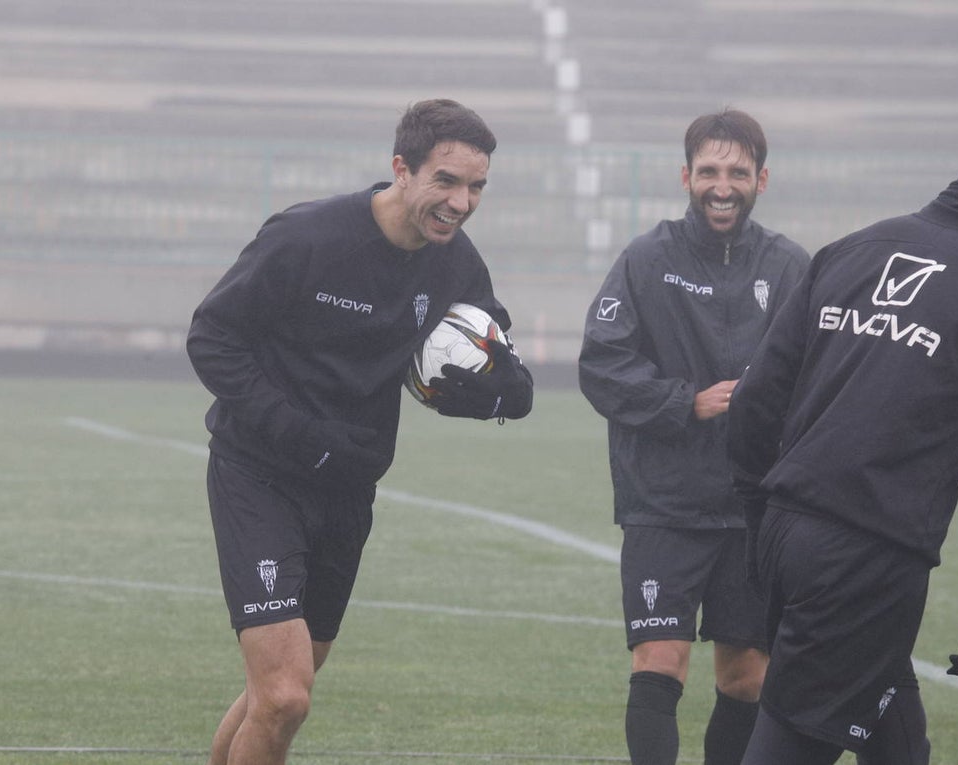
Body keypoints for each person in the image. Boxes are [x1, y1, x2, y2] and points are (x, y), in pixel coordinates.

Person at [186, 98, 533, 765]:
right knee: (284, 695)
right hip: (259, 475)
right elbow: (212, 338)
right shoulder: (307, 237)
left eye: (476, 187)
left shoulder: (456, 262)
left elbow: (494, 347)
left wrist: (509, 394)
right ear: (402, 169)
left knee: (282, 689)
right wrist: (301, 435)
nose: (461, 203)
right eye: (446, 181)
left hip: (349, 488)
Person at [578, 109, 811, 765]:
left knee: (747, 676)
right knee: (660, 660)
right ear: (686, 177)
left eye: (738, 172)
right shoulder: (646, 259)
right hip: (665, 504)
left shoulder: (790, 266)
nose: (722, 186)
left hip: (754, 508)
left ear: (761, 179)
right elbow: (601, 364)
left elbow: (817, 374)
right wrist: (687, 402)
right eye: (709, 170)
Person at [727, 142, 958, 764]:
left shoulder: (856, 248)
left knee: (894, 731)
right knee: (792, 744)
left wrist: (761, 521)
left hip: (790, 532)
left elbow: (754, 401)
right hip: (867, 560)